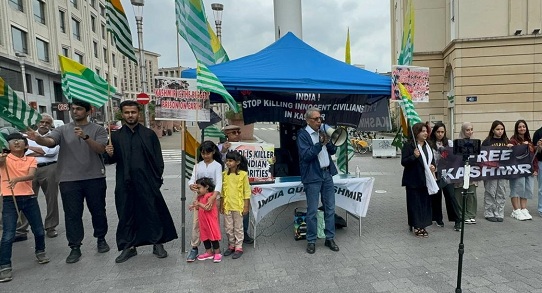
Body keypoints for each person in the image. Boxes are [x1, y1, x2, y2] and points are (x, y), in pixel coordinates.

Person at [26, 99, 110, 264]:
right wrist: (37, 138)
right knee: (72, 215)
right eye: (73, 109)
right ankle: (75, 247)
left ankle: (101, 238)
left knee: (98, 211)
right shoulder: (62, 129)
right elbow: (50, 142)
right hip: (69, 180)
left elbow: (101, 149)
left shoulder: (98, 129)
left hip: (94, 177)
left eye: (79, 109)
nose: (75, 111)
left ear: (88, 111)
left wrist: (85, 137)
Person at [105, 100, 178, 263]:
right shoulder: (115, 136)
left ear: (138, 113)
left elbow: (158, 159)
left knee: (152, 211)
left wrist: (156, 180)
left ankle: (157, 243)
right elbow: (110, 161)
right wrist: (108, 153)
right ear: (122, 114)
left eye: (133, 112)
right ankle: (128, 247)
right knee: (126, 214)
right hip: (124, 182)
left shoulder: (148, 134)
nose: (130, 115)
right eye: (127, 112)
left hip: (147, 181)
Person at [0, 133, 49, 283]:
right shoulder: (4, 159)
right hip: (9, 198)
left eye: (20, 140)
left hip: (29, 197)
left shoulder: (31, 159)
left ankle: (40, 251)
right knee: (8, 233)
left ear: (26, 145)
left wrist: (17, 179)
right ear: (7, 145)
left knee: (39, 229)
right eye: (12, 141)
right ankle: (5, 266)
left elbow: (31, 176)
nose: (16, 142)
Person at [297, 107, 339, 254]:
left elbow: (333, 151)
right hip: (312, 177)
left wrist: (330, 142)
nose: (319, 121)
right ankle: (311, 240)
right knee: (312, 211)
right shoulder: (303, 135)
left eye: (320, 118)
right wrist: (319, 144)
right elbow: (306, 155)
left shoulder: (322, 133)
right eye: (316, 119)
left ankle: (330, 238)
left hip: (327, 174)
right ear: (308, 120)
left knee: (330, 208)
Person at [15, 114, 60, 241]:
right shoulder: (27, 135)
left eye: (47, 122)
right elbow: (22, 152)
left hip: (50, 168)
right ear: (37, 122)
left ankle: (51, 227)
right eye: (42, 121)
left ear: (50, 124)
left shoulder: (55, 136)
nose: (44, 124)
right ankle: (22, 229)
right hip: (30, 168)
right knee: (26, 198)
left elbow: (51, 152)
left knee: (51, 198)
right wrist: (41, 150)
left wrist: (30, 149)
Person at [186, 141, 223, 262]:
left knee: (212, 224)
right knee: (198, 223)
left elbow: (219, 182)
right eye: (203, 153)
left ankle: (215, 250)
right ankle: (195, 247)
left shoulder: (217, 165)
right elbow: (192, 179)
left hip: (213, 197)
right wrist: (191, 185)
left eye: (208, 153)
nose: (205, 156)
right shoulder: (198, 165)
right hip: (199, 198)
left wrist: (213, 197)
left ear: (213, 152)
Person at [218, 125, 254, 244]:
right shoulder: (221, 147)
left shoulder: (248, 145)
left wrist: (270, 160)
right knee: (230, 218)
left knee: (244, 210)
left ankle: (244, 233)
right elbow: (217, 159)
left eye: (238, 131)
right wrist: (223, 150)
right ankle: (233, 240)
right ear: (226, 135)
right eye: (234, 132)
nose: (237, 134)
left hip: (243, 181)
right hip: (229, 183)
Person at [401, 122, 437, 238]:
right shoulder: (409, 145)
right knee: (414, 204)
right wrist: (414, 156)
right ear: (416, 133)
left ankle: (423, 224)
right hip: (413, 180)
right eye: (423, 131)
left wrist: (433, 167)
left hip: (425, 180)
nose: (425, 133)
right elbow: (404, 162)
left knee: (425, 204)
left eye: (426, 131)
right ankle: (416, 226)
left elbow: (432, 161)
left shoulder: (428, 146)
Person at [427, 122, 460, 230]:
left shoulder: (449, 143)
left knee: (450, 196)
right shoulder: (430, 143)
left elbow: (455, 156)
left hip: (447, 173)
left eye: (442, 132)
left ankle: (457, 220)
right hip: (435, 172)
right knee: (436, 196)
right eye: (438, 132)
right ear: (434, 132)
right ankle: (438, 218)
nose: (440, 134)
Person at [221, 151, 250, 259]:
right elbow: (223, 191)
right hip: (227, 205)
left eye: (230, 161)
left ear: (237, 162)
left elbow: (246, 192)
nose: (228, 163)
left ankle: (238, 247)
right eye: (227, 160)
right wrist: (221, 205)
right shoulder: (224, 174)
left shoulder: (243, 175)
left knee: (238, 227)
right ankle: (231, 245)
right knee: (228, 228)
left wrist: (246, 206)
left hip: (238, 206)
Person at [482, 120, 510, 222]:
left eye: (502, 129)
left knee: (501, 192)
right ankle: (489, 212)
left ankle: (499, 212)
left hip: (502, 171)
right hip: (491, 171)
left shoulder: (507, 141)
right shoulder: (487, 142)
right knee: (490, 191)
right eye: (498, 129)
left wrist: (510, 148)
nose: (500, 131)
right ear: (493, 130)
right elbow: (483, 157)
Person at [508, 120, 536, 221]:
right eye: (520, 127)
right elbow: (512, 154)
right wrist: (520, 146)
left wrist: (535, 169)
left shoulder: (529, 140)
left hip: (528, 170)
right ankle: (516, 210)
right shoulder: (512, 140)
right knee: (516, 188)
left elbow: (533, 156)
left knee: (526, 189)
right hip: (517, 170)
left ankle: (524, 208)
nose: (522, 129)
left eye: (524, 126)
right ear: (516, 129)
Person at [190, 177, 222, 263]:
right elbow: (198, 207)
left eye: (199, 188)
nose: (198, 190)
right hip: (203, 221)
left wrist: (199, 204)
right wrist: (194, 206)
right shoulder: (200, 197)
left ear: (206, 187)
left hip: (210, 221)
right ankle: (208, 252)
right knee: (205, 237)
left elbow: (208, 208)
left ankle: (217, 252)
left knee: (213, 236)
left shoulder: (210, 196)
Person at [454, 122, 478, 227]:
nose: (470, 132)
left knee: (472, 193)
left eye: (471, 129)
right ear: (463, 131)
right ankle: (462, 214)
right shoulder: (457, 142)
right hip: (460, 172)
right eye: (467, 130)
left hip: (471, 172)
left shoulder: (476, 142)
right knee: (460, 194)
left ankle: (471, 214)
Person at [532, 124, 542, 217]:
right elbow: (535, 150)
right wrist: (539, 146)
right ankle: (541, 209)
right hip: (541, 162)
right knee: (541, 188)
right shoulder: (538, 133)